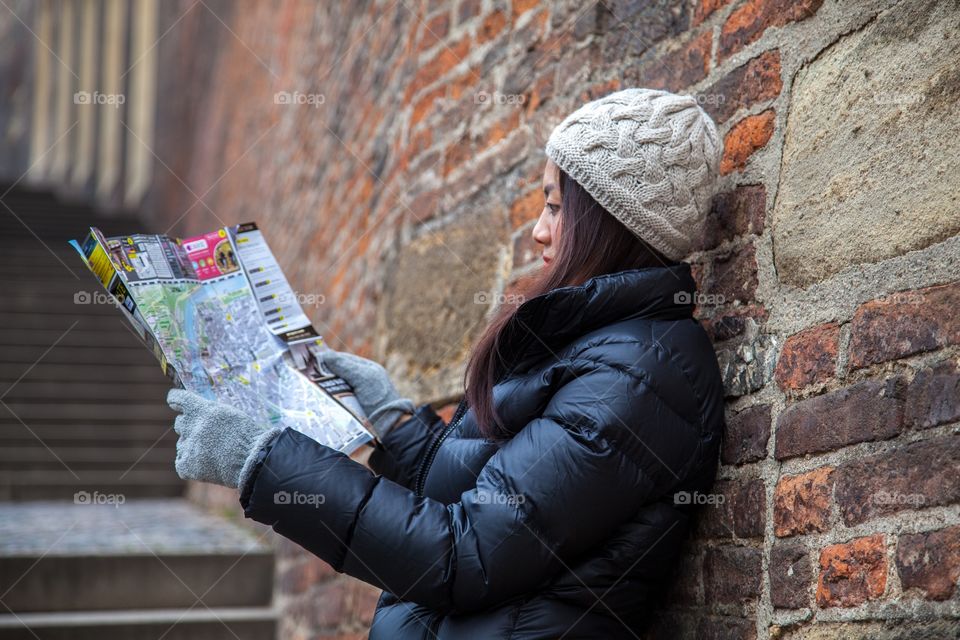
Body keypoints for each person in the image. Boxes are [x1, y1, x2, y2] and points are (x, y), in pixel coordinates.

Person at [167, 87, 726, 639]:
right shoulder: (602, 346)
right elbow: (496, 495)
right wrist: (393, 426)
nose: (537, 231)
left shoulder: (638, 378)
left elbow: (468, 554)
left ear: (609, 224)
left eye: (556, 208)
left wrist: (261, 464)